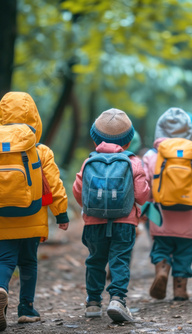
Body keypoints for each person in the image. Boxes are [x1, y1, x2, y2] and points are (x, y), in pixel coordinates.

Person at [0, 92, 70, 332]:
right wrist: (61, 213)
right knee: (28, 263)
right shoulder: (41, 151)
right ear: (35, 118)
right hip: (32, 216)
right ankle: (26, 309)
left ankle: (0, 290)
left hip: (1, 217)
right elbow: (55, 184)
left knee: (5, 260)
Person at [73, 108, 150, 322]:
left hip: (93, 222)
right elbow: (143, 195)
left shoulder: (89, 161)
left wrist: (90, 208)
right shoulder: (133, 162)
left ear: (95, 137)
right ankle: (117, 300)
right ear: (128, 141)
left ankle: (93, 303)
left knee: (95, 260)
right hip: (124, 222)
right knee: (120, 260)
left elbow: (78, 190)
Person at [142, 107, 192, 301]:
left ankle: (162, 268)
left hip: (160, 216)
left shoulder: (150, 157)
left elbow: (144, 185)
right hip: (189, 217)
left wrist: (145, 207)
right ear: (190, 132)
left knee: (161, 248)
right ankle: (180, 288)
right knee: (185, 252)